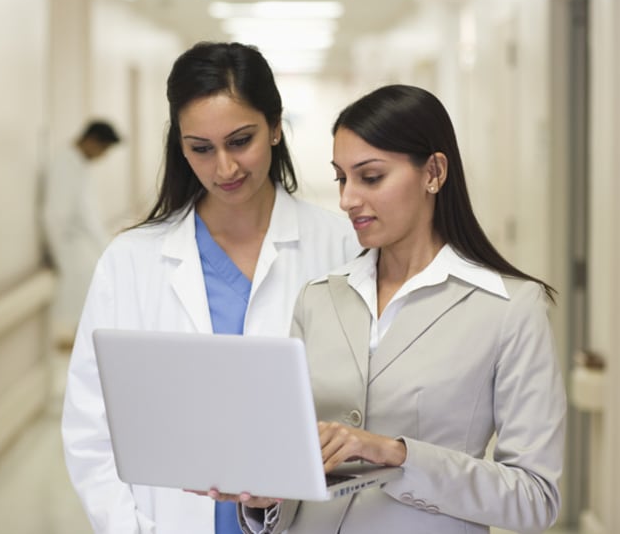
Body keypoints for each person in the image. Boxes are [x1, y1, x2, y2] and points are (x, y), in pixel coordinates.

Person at [235, 84, 567, 534]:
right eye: (341, 178)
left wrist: (397, 454)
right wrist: (265, 499)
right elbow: (297, 461)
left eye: (370, 178)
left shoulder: (510, 309)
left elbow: (535, 499)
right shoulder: (318, 297)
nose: (348, 199)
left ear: (433, 171)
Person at [61, 41, 359, 534]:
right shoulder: (131, 261)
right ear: (180, 145)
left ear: (276, 126)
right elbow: (90, 427)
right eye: (201, 148)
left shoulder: (344, 248)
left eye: (241, 140)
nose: (225, 168)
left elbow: (369, 412)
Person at [41, 120, 121, 348]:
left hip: (82, 248)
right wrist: (59, 255)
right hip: (70, 250)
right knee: (78, 310)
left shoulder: (78, 165)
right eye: (103, 149)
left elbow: (88, 215)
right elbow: (55, 214)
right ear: (92, 141)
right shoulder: (65, 164)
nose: (103, 156)